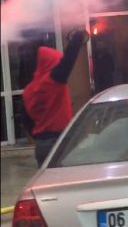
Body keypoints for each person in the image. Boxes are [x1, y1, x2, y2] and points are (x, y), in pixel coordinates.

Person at [23, 30, 88, 167]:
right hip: (58, 143)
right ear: (51, 64)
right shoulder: (52, 82)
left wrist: (40, 136)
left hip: (42, 146)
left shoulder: (28, 90)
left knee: (48, 186)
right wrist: (77, 38)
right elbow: (67, 61)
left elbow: (27, 121)